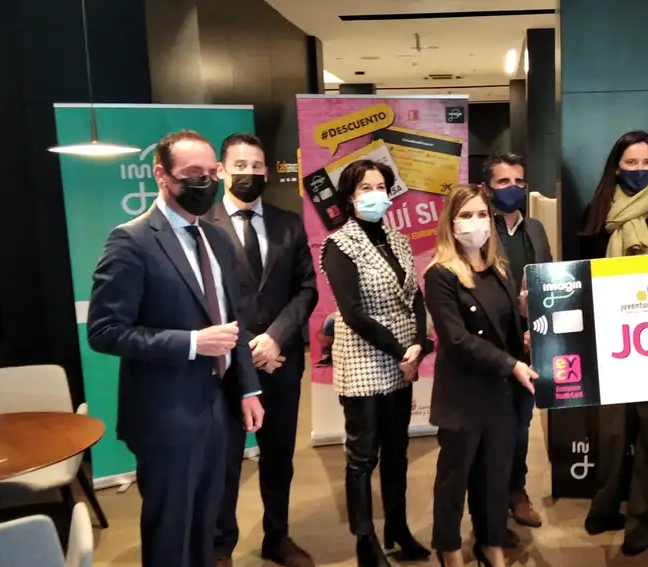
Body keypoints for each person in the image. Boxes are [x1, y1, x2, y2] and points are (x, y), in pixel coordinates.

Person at [86, 129, 264, 567]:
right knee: (170, 529)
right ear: (161, 175)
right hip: (166, 414)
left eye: (210, 172)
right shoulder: (131, 241)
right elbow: (104, 331)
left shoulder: (218, 238)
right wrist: (190, 344)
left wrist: (248, 388)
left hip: (219, 409)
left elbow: (233, 320)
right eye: (192, 174)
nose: (204, 182)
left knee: (209, 519)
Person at [207, 133, 318, 567]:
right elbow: (202, 296)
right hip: (224, 367)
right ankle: (221, 547)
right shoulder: (202, 224)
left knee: (279, 457)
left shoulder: (288, 222)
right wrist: (244, 347)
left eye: (257, 166)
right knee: (226, 461)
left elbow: (306, 289)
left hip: (281, 361)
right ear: (220, 170)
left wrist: (274, 337)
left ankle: (278, 536)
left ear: (267, 172)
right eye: (240, 165)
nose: (249, 173)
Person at [319, 159, 430, 567]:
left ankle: (397, 528)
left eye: (381, 186)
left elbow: (414, 296)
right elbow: (352, 312)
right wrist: (403, 352)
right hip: (367, 361)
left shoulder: (398, 240)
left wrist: (418, 344)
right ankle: (365, 542)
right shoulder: (339, 244)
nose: (375, 194)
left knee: (398, 452)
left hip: (404, 361)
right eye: (365, 187)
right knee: (363, 456)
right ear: (349, 197)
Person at [424, 184, 538, 567]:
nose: (476, 223)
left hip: (500, 394)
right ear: (451, 223)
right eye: (466, 215)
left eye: (482, 215)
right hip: (463, 395)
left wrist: (523, 322)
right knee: (455, 479)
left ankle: (490, 543)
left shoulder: (499, 267)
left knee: (494, 476)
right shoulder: (440, 274)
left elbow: (505, 331)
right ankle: (449, 547)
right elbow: (455, 339)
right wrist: (511, 364)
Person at [578, 130, 648, 557]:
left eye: (646, 162)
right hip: (610, 341)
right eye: (630, 163)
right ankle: (604, 508)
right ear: (617, 165)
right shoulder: (596, 213)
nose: (638, 170)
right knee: (612, 434)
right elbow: (576, 275)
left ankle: (643, 521)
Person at [482, 152, 552, 533]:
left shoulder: (536, 229)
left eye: (519, 182)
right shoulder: (478, 230)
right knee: (492, 427)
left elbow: (548, 281)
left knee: (522, 425)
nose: (513, 189)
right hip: (490, 349)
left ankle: (516, 491)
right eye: (503, 182)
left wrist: (536, 323)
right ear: (486, 188)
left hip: (528, 346)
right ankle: (489, 504)